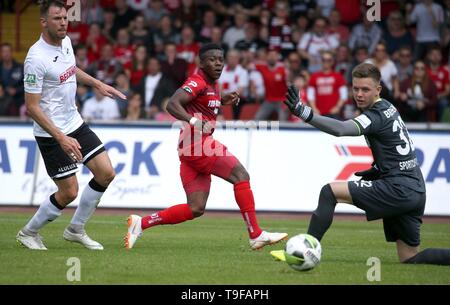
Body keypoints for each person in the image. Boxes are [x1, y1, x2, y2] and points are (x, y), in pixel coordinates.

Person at [279, 62, 450, 265]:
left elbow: (341, 129)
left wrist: (303, 112)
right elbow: (395, 148)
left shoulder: (374, 115)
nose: (359, 94)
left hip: (398, 188)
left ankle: (305, 251)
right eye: (356, 88)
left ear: (378, 89)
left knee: (329, 192)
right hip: (415, 189)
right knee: (410, 258)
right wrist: (378, 169)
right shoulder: (388, 107)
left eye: (365, 89)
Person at [124, 43, 287, 250]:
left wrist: (222, 101)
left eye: (220, 59)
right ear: (201, 63)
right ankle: (255, 234)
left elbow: (204, 102)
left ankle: (141, 223)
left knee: (196, 208)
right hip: (197, 145)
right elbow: (172, 104)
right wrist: (193, 121)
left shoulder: (212, 84)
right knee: (241, 175)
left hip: (189, 149)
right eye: (212, 59)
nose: (218, 63)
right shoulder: (197, 81)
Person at [16, 0, 126, 250]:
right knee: (69, 192)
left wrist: (96, 83)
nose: (63, 22)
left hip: (74, 121)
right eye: (57, 18)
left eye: (65, 17)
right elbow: (32, 107)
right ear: (44, 22)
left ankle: (76, 229)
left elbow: (69, 69)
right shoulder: (35, 58)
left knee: (106, 173)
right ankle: (28, 232)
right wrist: (61, 138)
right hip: (51, 132)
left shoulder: (66, 42)